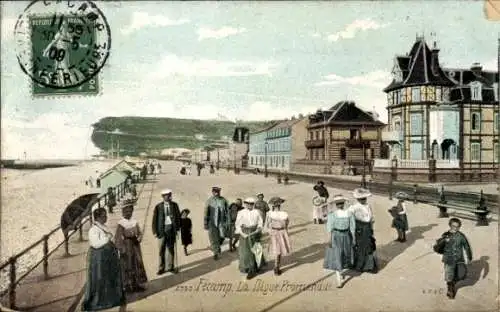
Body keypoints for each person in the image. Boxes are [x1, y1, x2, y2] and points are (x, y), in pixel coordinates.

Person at [82, 208, 126, 312]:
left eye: (105, 215)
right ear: (97, 218)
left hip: (107, 257)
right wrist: (108, 237)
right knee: (100, 278)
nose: (106, 217)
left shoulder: (102, 226)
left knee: (108, 278)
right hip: (99, 258)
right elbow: (95, 244)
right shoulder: (93, 229)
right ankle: (99, 301)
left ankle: (110, 299)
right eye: (103, 216)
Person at [114, 201, 148, 293]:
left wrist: (140, 237)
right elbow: (117, 238)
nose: (128, 213)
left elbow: (139, 232)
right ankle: (127, 285)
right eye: (126, 211)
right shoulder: (121, 223)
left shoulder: (134, 222)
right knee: (127, 264)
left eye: (130, 211)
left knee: (137, 263)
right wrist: (121, 248)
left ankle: (136, 284)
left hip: (135, 245)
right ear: (123, 212)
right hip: (126, 245)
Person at [324, 195, 356, 288]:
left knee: (345, 254)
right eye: (338, 204)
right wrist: (330, 239)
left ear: (344, 204)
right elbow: (330, 228)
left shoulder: (349, 214)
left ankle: (341, 272)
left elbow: (352, 227)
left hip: (346, 236)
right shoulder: (332, 215)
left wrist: (353, 238)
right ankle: (339, 280)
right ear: (336, 205)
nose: (340, 205)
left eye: (341, 203)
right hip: (336, 236)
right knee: (338, 255)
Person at [436, 218, 472, 299]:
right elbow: (439, 246)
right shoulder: (445, 235)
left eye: (457, 226)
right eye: (453, 226)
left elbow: (466, 246)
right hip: (449, 259)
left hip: (459, 259)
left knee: (461, 274)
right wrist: (444, 240)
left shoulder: (461, 236)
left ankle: (452, 283)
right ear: (450, 225)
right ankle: (450, 289)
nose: (455, 228)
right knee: (449, 274)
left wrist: (469, 257)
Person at [152, 189, 181, 275]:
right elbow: (154, 220)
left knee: (171, 249)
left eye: (168, 195)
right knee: (161, 250)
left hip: (171, 230)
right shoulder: (158, 207)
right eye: (165, 196)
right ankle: (161, 268)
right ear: (162, 197)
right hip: (161, 231)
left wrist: (178, 229)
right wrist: (154, 231)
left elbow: (178, 217)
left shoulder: (174, 205)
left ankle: (170, 267)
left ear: (170, 196)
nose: (167, 197)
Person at [349, 188, 378, 273]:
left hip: (367, 227)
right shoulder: (354, 207)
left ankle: (369, 266)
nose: (363, 200)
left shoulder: (368, 206)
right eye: (361, 199)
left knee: (369, 246)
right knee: (360, 247)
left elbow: (371, 218)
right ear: (357, 199)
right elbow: (349, 216)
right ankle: (359, 265)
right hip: (359, 228)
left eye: (365, 198)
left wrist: (372, 229)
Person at [235, 197, 265, 280]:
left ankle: (257, 266)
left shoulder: (257, 212)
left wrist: (258, 230)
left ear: (253, 204)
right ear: (245, 204)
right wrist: (242, 233)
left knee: (256, 250)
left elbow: (260, 223)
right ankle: (250, 269)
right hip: (245, 232)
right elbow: (237, 224)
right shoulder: (241, 212)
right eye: (247, 203)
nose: (249, 205)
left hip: (255, 232)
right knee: (246, 252)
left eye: (251, 204)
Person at [266, 197, 291, 276]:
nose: (277, 206)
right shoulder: (270, 214)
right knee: (277, 250)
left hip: (281, 232)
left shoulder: (284, 213)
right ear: (273, 206)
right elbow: (267, 224)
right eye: (276, 205)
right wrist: (270, 231)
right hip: (275, 232)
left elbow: (286, 223)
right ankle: (276, 267)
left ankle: (277, 266)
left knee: (279, 250)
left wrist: (284, 230)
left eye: (278, 205)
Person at [204, 187, 229, 260]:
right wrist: (205, 223)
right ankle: (215, 252)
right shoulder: (209, 201)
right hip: (212, 222)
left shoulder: (223, 200)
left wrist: (228, 221)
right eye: (215, 192)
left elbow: (227, 211)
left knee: (222, 236)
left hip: (221, 222)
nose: (217, 193)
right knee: (213, 237)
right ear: (212, 192)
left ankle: (217, 247)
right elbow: (206, 212)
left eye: (218, 192)